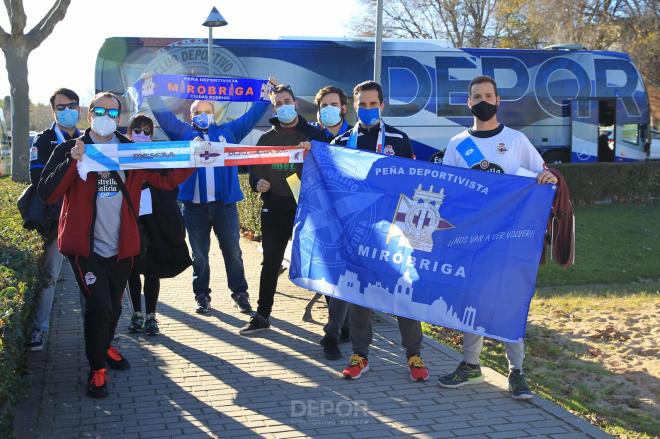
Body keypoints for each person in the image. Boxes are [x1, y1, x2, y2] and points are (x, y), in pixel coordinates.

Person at [37, 92, 193, 399]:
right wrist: (72, 161)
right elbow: (47, 193)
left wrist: (195, 157)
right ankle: (97, 368)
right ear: (90, 114)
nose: (106, 116)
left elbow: (166, 178)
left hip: (121, 248)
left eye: (112, 111)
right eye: (100, 110)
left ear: (120, 117)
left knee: (114, 308)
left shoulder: (131, 151)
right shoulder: (71, 148)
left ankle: (105, 345)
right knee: (99, 307)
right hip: (86, 249)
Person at [438, 75, 557, 400]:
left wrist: (547, 177)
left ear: (498, 99)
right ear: (469, 102)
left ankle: (516, 371)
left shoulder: (516, 141)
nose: (483, 100)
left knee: (508, 300)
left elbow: (543, 174)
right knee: (472, 300)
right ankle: (470, 365)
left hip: (508, 238)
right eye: (477, 96)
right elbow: (448, 190)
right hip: (472, 238)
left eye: (488, 95)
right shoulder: (458, 143)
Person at [147, 77, 277, 314]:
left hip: (224, 206)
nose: (203, 114)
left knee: (233, 253)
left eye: (207, 111)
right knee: (199, 255)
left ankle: (240, 293)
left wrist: (264, 94)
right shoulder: (182, 132)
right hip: (194, 208)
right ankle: (202, 295)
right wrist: (151, 93)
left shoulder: (229, 131)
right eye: (198, 111)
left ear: (214, 113)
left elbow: (250, 118)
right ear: (191, 114)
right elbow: (163, 115)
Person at [330, 80, 429, 382]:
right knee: (361, 295)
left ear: (382, 106)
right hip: (358, 232)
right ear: (354, 106)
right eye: (363, 104)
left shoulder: (399, 140)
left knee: (403, 291)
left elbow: (412, 186)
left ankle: (414, 354)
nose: (369, 109)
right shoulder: (340, 143)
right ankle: (360, 355)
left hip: (394, 232)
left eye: (374, 104)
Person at [239, 85, 326, 335]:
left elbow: (331, 164)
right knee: (270, 263)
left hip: (309, 209)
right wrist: (258, 183)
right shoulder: (266, 139)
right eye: (278, 103)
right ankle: (262, 316)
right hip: (275, 208)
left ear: (296, 102)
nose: (283, 106)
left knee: (321, 261)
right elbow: (254, 171)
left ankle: (336, 325)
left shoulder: (314, 135)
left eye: (287, 101)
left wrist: (314, 151)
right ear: (273, 107)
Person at [25, 88, 81, 352]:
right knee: (50, 277)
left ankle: (98, 330)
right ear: (53, 111)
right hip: (56, 221)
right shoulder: (43, 140)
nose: (67, 111)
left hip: (84, 220)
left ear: (79, 109)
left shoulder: (90, 139)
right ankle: (40, 329)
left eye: (71, 106)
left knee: (89, 278)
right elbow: (38, 182)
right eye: (61, 107)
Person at [125, 115, 192, 335]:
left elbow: (172, 180)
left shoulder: (159, 157)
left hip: (155, 224)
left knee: (152, 270)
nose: (142, 135)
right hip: (130, 221)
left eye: (147, 132)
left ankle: (151, 316)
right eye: (137, 130)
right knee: (131, 271)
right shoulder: (118, 155)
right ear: (129, 132)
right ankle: (136, 314)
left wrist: (195, 156)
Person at [311, 85, 354, 359]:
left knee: (347, 273)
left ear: (343, 107)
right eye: (323, 105)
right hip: (327, 217)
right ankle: (338, 329)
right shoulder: (315, 137)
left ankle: (338, 330)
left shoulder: (356, 137)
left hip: (356, 218)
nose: (328, 109)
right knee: (333, 272)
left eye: (333, 104)